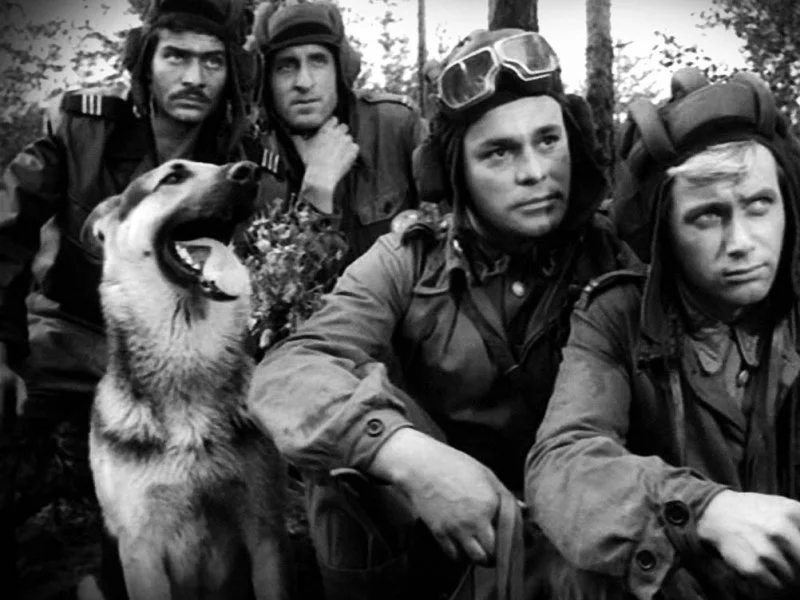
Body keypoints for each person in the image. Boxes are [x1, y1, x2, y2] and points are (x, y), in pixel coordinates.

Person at [247, 28, 639, 600]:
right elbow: (288, 373)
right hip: (446, 541)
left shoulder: (618, 257)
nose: (534, 172)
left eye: (548, 140)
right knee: (341, 446)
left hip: (586, 539)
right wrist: (406, 455)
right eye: (499, 152)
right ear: (457, 172)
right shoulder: (409, 260)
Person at [0, 0, 256, 592]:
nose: (194, 77)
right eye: (176, 57)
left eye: (213, 62)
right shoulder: (84, 129)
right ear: (145, 64)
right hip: (71, 334)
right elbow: (8, 226)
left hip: (182, 354)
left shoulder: (239, 160)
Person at [526, 68, 800, 600]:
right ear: (665, 233)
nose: (741, 241)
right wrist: (704, 511)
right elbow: (561, 464)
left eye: (759, 205)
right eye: (708, 216)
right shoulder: (618, 316)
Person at [247, 0, 427, 266]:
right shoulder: (253, 161)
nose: (304, 83)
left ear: (339, 71)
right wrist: (316, 191)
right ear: (267, 81)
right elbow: (283, 285)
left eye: (318, 61)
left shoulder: (394, 126)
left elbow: (451, 233)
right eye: (286, 66)